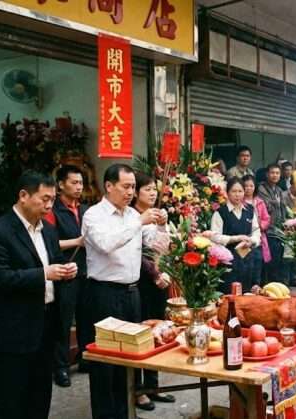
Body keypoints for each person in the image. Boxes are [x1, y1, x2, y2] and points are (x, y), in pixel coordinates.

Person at [0, 171, 78, 419]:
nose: (49, 206)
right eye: (44, 199)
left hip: (45, 326)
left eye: (52, 200)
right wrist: (43, 273)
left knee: (40, 397)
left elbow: (55, 263)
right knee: (12, 401)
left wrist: (67, 271)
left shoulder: (47, 231)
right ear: (23, 195)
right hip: (12, 330)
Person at [83, 163, 165, 419]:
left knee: (129, 358)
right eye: (126, 186)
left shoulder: (132, 215)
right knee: (105, 361)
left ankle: (125, 411)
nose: (131, 192)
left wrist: (161, 225)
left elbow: (156, 246)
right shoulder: (94, 215)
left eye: (133, 187)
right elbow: (106, 244)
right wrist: (139, 221)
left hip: (132, 293)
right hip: (104, 294)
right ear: (109, 186)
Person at [128, 172, 173, 410]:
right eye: (147, 189)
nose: (153, 193)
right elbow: (138, 253)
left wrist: (164, 224)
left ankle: (153, 385)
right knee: (141, 332)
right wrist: (154, 274)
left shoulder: (156, 216)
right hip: (141, 281)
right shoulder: (132, 217)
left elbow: (163, 247)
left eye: (155, 189)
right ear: (135, 193)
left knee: (158, 331)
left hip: (160, 280)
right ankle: (138, 390)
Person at [42, 165, 88, 387]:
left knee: (86, 318)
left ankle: (86, 357)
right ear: (61, 184)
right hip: (63, 272)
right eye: (74, 183)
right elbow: (49, 243)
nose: (79, 187)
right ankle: (59, 367)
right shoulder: (52, 211)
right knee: (62, 321)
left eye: (81, 183)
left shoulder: (86, 210)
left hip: (86, 271)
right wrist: (77, 241)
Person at [210, 177, 261, 293]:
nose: (237, 195)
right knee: (229, 296)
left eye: (240, 191)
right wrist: (235, 238)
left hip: (246, 259)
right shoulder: (220, 213)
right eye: (234, 191)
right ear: (227, 193)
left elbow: (256, 232)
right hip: (227, 262)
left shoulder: (249, 211)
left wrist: (251, 241)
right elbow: (214, 236)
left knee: (246, 295)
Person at [258, 164, 295, 285]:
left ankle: (280, 285)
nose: (275, 175)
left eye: (277, 173)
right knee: (271, 261)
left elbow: (282, 208)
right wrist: (276, 202)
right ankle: (270, 285)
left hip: (279, 229)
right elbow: (266, 205)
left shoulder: (279, 190)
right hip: (268, 230)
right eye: (272, 173)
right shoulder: (262, 188)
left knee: (281, 259)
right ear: (267, 174)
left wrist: (287, 224)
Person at [243, 175, 270, 285]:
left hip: (259, 238)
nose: (248, 188)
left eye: (251, 186)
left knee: (257, 263)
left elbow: (266, 218)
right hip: (244, 238)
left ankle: (256, 287)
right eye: (246, 186)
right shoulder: (240, 202)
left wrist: (260, 225)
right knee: (245, 263)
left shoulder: (259, 202)